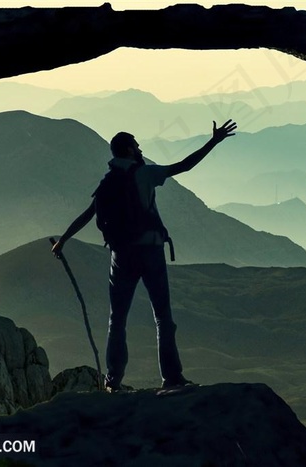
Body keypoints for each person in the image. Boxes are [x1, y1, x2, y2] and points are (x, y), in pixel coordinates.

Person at [52, 120, 237, 392]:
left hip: (120, 256)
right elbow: (184, 166)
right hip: (150, 251)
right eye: (136, 145)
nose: (140, 148)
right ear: (128, 149)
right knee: (163, 318)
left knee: (118, 320)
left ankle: (113, 381)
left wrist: (63, 241)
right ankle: (172, 378)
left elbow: (88, 214)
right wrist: (213, 142)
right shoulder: (144, 174)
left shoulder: (108, 181)